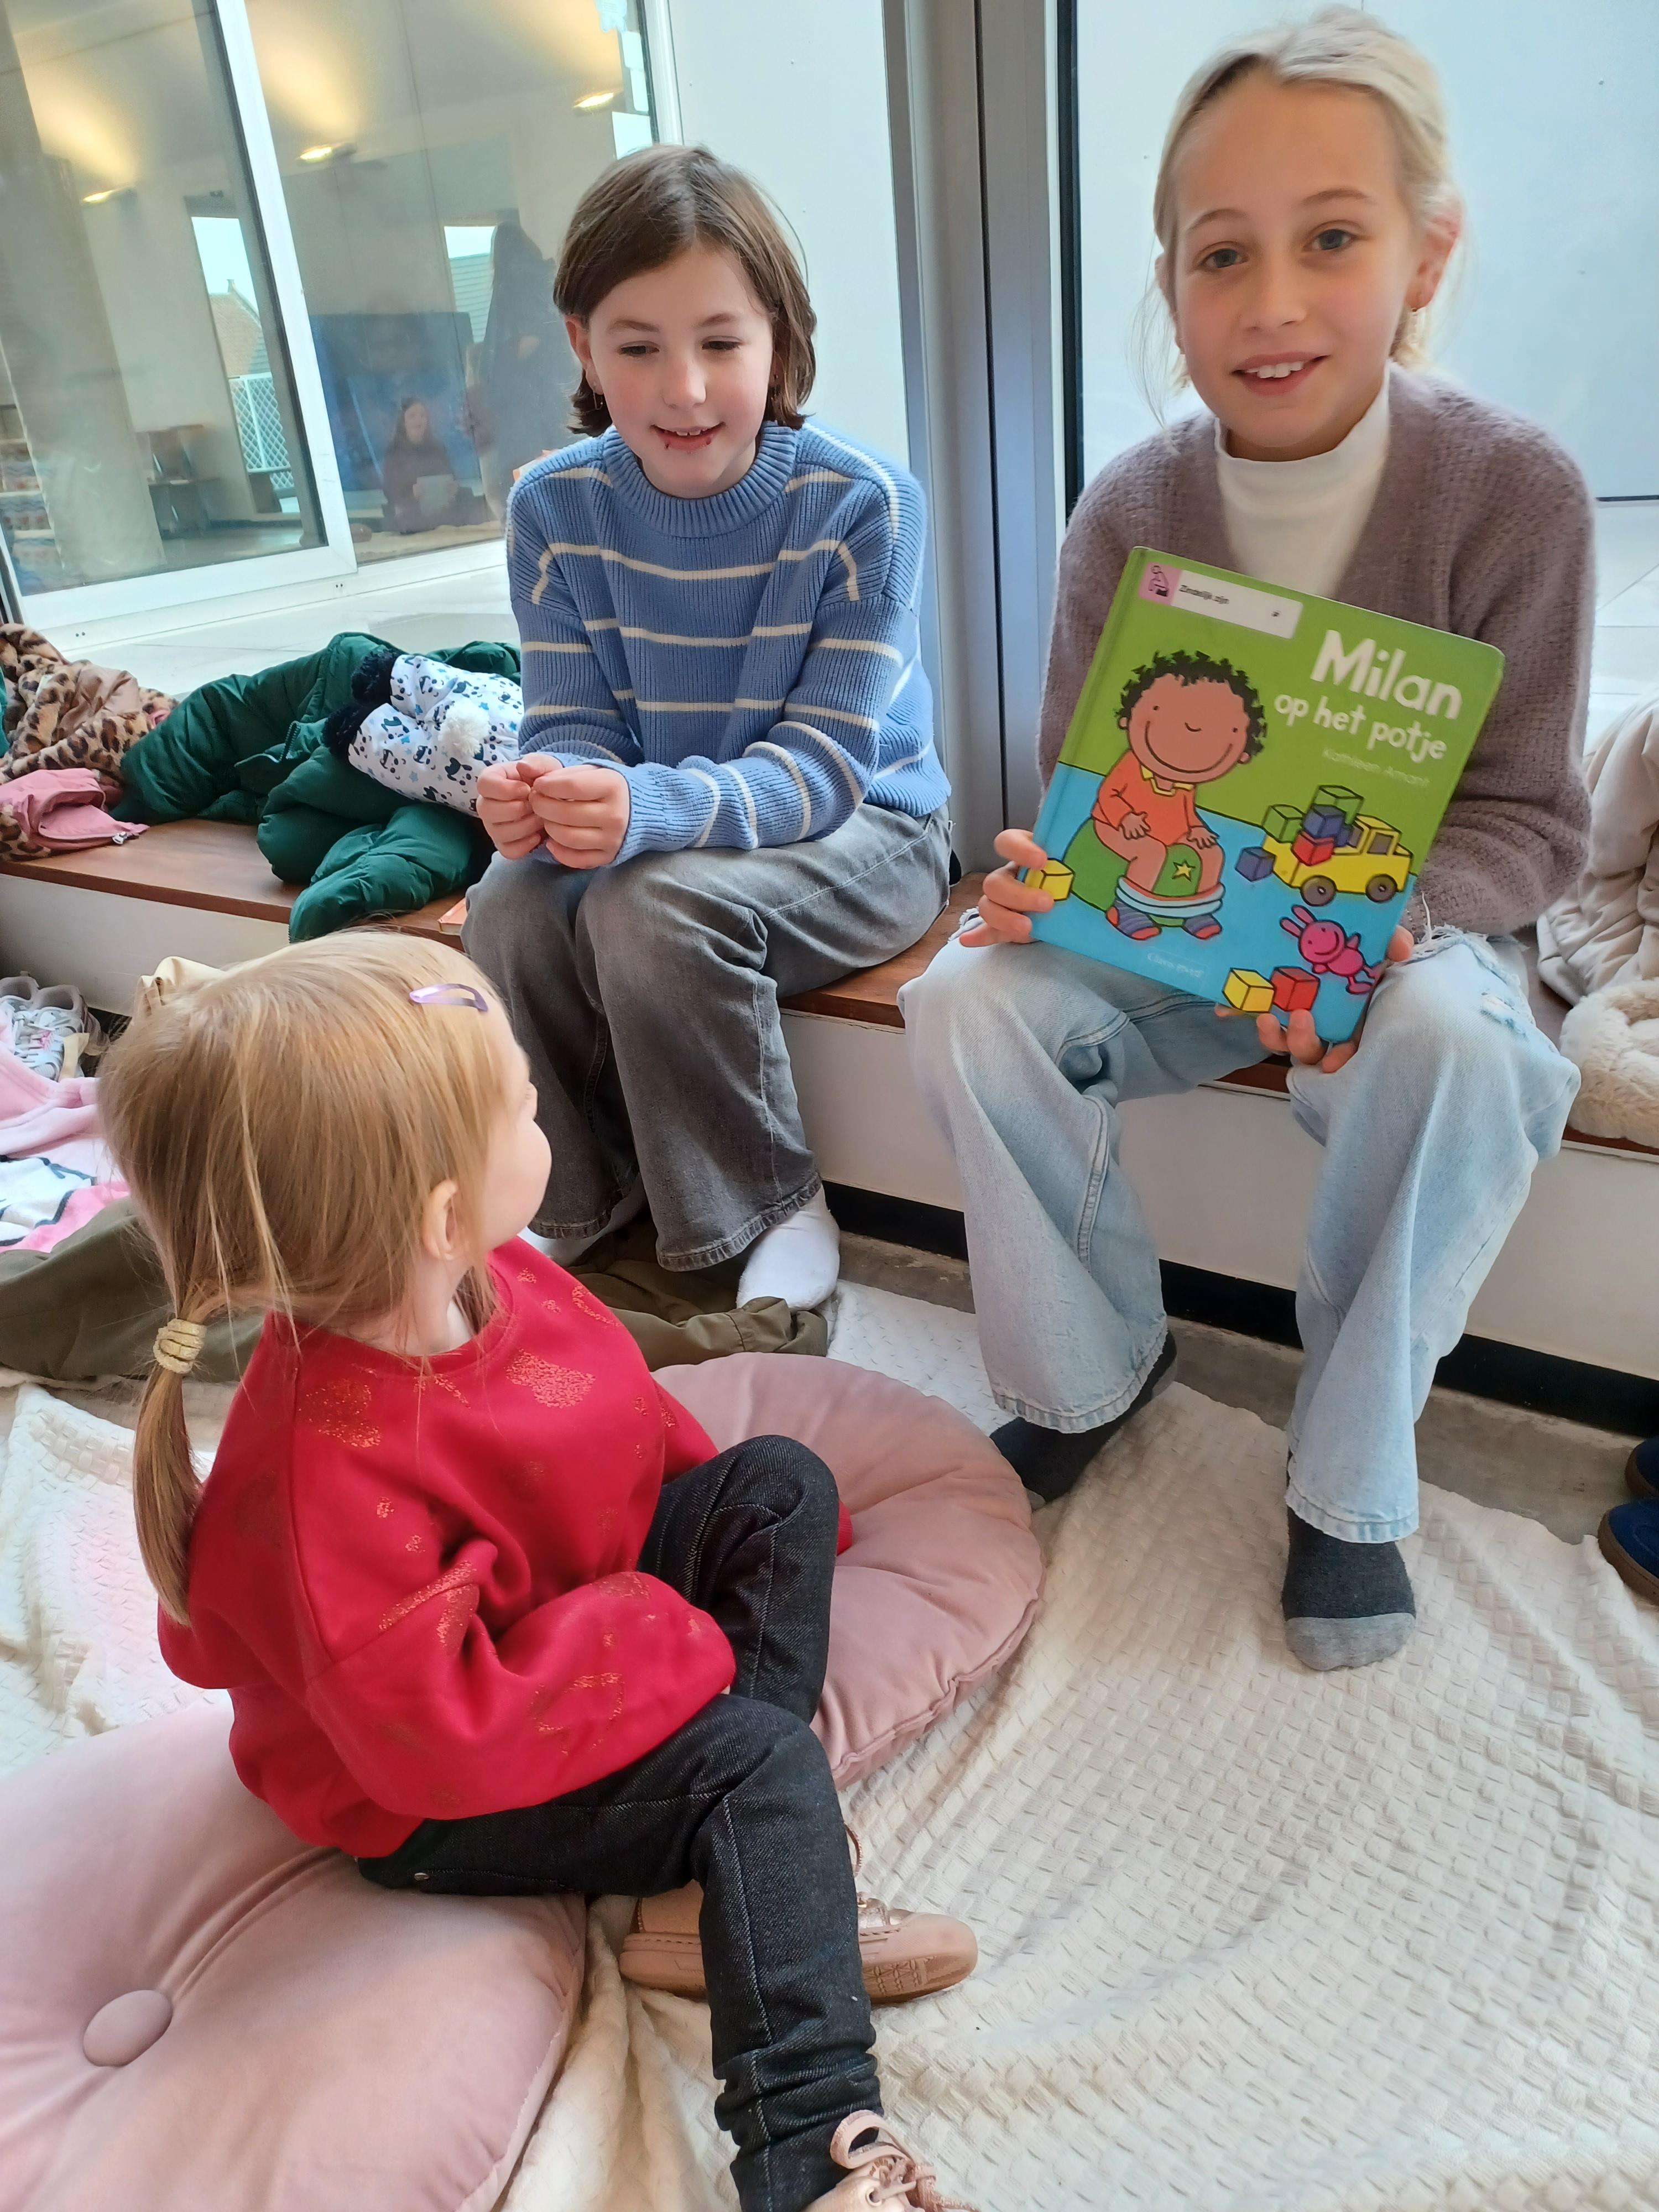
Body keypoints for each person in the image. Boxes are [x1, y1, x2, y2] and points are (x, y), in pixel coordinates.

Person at [903, 7, 1589, 1672]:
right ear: (1170, 281)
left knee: (1457, 1050)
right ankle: (1086, 1371)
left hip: (1406, 936)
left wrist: (1388, 929)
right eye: (1222, 255)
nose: (1271, 302)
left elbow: (1531, 820)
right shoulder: (1129, 510)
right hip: (1187, 917)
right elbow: (1090, 784)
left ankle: (1348, 1481)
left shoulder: (1514, 493)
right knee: (965, 996)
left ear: (1426, 253)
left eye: (1331, 238)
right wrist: (1044, 879)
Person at [100, 932, 975, 2212]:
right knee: (755, 1761)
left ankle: (719, 1873)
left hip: (556, 1621)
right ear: (439, 1209)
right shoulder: (322, 1478)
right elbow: (436, 1745)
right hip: (430, 1787)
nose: (542, 1110)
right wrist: (659, 1633)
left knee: (781, 1482)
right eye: (520, 1102)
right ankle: (807, 2153)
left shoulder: (493, 1267)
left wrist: (700, 1575)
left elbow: (624, 1424)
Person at [466, 145, 951, 1315]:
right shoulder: (552, 506)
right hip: (673, 828)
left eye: (722, 344)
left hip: (870, 832)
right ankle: (573, 1200)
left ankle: (771, 1202)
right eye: (639, 348)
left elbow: (825, 769)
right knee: (507, 902)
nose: (685, 389)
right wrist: (544, 791)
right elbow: (573, 720)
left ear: (779, 338)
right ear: (583, 346)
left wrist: (643, 808)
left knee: (651, 906)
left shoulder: (864, 503)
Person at [473, 220, 570, 517]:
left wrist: (494, 363)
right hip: (548, 392)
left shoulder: (518, 280)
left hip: (526, 396)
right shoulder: (541, 278)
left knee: (525, 466)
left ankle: (532, 520)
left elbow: (531, 337)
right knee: (551, 463)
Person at [380, 397, 479, 534]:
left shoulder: (438, 448)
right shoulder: (394, 452)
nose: (419, 420)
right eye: (413, 416)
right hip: (410, 515)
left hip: (441, 511)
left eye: (423, 416)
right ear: (403, 422)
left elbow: (451, 476)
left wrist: (452, 487)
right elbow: (390, 491)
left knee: (466, 496)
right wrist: (411, 496)